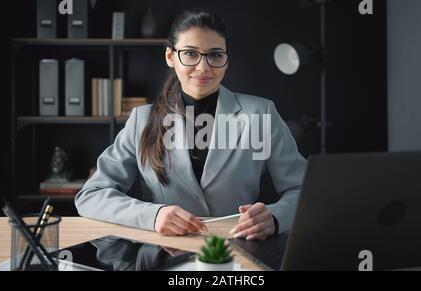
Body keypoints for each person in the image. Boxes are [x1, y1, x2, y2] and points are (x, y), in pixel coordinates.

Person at [75, 9, 307, 240]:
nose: (203, 67)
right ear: (170, 57)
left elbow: (304, 191)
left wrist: (276, 216)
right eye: (190, 54)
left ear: (227, 59)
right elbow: (91, 195)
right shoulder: (141, 120)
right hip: (162, 257)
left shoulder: (260, 113)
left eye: (215, 55)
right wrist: (152, 216)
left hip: (238, 255)